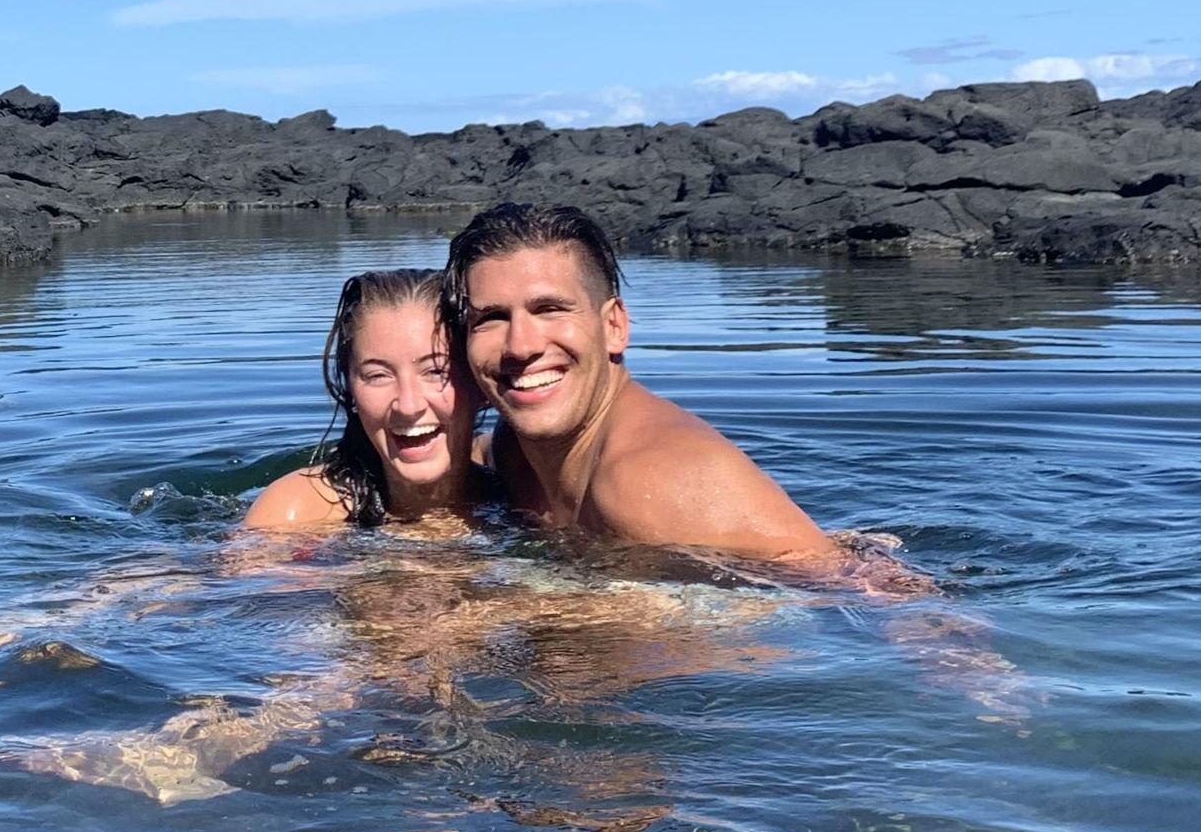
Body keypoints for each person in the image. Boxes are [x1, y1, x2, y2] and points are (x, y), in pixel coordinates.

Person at [442, 202, 848, 576]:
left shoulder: (647, 482)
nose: (522, 345)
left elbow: (857, 587)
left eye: (549, 309)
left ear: (614, 327)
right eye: (491, 318)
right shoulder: (511, 449)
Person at [243, 267, 489, 533]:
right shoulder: (297, 514)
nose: (408, 406)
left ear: (480, 382)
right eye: (377, 375)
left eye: (435, 372)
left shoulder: (522, 496)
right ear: (350, 391)